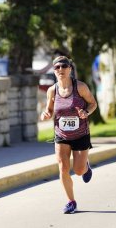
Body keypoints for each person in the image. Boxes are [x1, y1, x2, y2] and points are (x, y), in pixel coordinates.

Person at [40, 56, 97, 214]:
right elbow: (50, 110)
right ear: (54, 70)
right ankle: (71, 202)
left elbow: (93, 104)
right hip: (61, 135)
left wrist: (86, 112)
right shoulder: (52, 90)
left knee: (78, 171)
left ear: (70, 69)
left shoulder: (80, 87)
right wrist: (45, 114)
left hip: (80, 135)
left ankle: (85, 166)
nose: (60, 69)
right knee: (63, 168)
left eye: (64, 66)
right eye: (57, 67)